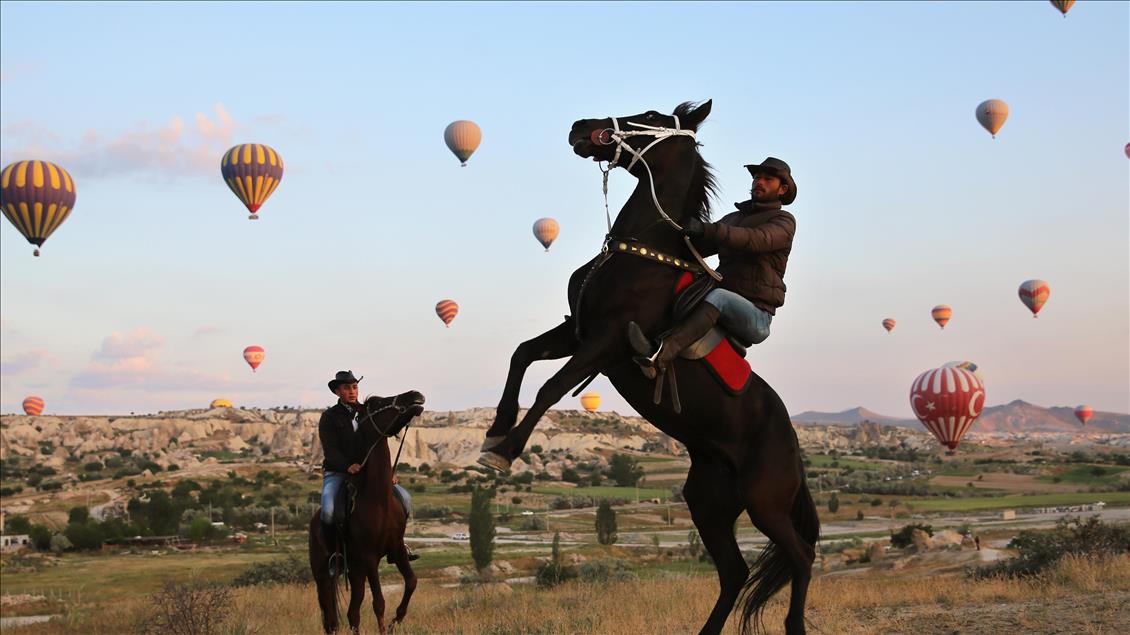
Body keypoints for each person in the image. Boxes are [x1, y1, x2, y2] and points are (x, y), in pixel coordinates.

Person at [630, 157, 797, 375]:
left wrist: (707, 229)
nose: (759, 181)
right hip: (721, 297)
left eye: (767, 179)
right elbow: (698, 247)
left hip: (756, 314)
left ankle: (662, 354)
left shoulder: (784, 221)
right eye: (757, 177)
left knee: (719, 297)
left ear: (782, 189)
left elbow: (756, 239)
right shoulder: (733, 218)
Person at [319, 370, 418, 574]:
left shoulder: (369, 411)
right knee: (328, 509)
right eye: (346, 388)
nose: (352, 391)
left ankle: (397, 545)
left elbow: (387, 431)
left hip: (370, 473)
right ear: (337, 391)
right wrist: (347, 465)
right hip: (339, 472)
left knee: (405, 499)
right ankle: (336, 555)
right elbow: (330, 450)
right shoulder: (329, 417)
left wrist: (408, 415)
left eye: (354, 387)